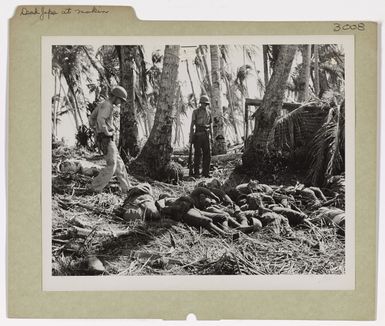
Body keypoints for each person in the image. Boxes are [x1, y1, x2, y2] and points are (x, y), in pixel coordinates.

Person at [88, 86, 130, 193]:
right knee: (112, 165)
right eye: (120, 100)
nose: (120, 102)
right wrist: (105, 131)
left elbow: (92, 118)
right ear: (115, 97)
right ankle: (95, 187)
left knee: (119, 164)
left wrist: (96, 129)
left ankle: (127, 189)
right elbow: (101, 119)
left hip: (105, 139)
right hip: (106, 138)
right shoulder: (108, 105)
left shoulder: (102, 104)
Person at [189, 95, 213, 178]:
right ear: (200, 103)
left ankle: (205, 172)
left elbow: (210, 125)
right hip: (198, 135)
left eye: (206, 104)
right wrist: (191, 137)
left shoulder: (209, 112)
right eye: (203, 103)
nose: (205, 105)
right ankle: (196, 172)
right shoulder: (195, 112)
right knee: (197, 154)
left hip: (206, 134)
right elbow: (192, 125)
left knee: (207, 155)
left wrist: (211, 137)